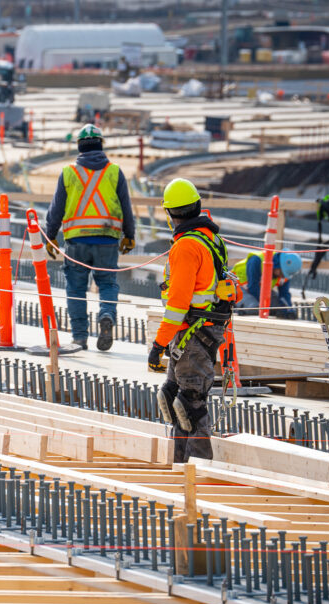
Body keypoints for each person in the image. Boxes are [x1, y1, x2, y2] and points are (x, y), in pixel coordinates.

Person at [147, 179, 235, 463]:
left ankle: (199, 474)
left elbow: (177, 306)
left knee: (191, 406)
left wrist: (158, 345)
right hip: (199, 333)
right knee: (174, 400)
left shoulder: (186, 247)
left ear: (171, 214)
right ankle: (179, 467)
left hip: (192, 335)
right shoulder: (210, 238)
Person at [44, 123, 136, 351]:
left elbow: (56, 209)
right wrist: (129, 235)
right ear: (101, 145)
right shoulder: (114, 172)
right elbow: (126, 207)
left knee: (76, 288)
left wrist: (51, 236)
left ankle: (79, 337)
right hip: (107, 239)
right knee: (107, 283)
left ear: (79, 147)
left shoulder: (69, 173)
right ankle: (106, 315)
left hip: (76, 241)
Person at [232, 251, 302, 318]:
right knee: (254, 308)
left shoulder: (284, 273)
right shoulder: (256, 260)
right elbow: (253, 288)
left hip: (259, 289)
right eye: (281, 273)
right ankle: (237, 309)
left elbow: (284, 294)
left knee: (279, 307)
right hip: (236, 286)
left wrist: (288, 309)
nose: (282, 277)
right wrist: (267, 307)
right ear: (277, 265)